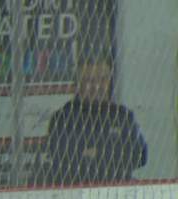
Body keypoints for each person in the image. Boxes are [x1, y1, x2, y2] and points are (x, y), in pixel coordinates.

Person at [45, 57, 147, 185]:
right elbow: (65, 160)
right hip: (76, 193)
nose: (96, 86)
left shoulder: (123, 116)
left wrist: (94, 153)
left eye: (102, 79)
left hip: (119, 192)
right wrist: (114, 153)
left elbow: (141, 155)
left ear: (110, 81)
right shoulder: (63, 118)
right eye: (89, 80)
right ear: (77, 84)